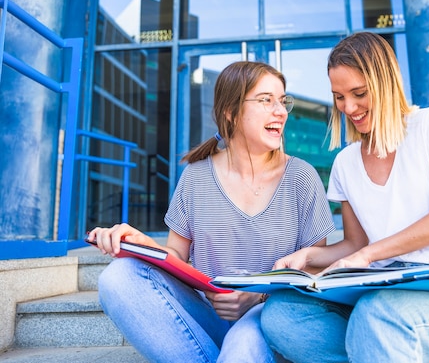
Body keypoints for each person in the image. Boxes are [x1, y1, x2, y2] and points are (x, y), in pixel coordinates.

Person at [261, 32, 429, 363]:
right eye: (339, 97)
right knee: (281, 315)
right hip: (381, 294)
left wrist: (370, 255)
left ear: (385, 81)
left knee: (377, 314)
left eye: (359, 93)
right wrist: (308, 257)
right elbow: (355, 244)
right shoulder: (346, 162)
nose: (348, 107)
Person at [87, 61, 336, 363]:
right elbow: (176, 259)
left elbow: (312, 271)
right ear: (231, 111)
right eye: (266, 100)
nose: (281, 111)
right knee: (117, 278)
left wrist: (258, 296)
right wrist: (143, 245)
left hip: (268, 319)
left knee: (243, 342)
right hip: (210, 318)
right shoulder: (196, 176)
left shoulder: (302, 177)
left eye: (283, 101)